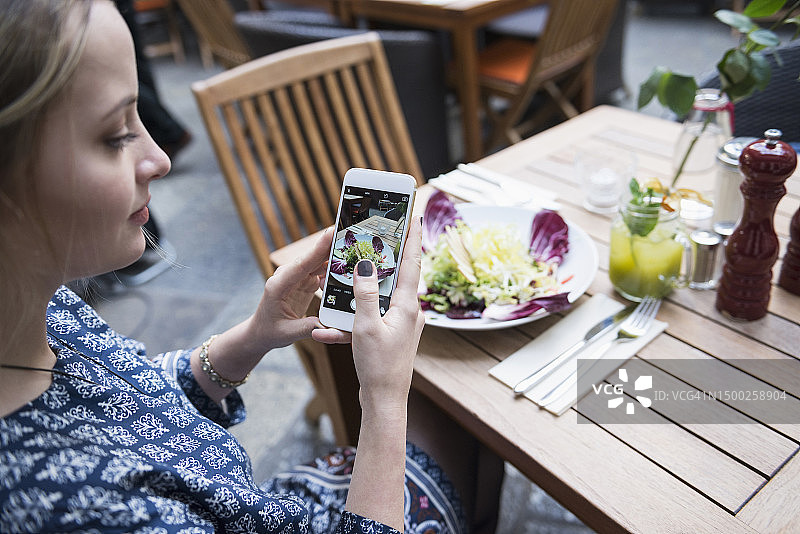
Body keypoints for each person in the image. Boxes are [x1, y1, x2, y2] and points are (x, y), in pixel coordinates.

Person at [0, 1, 499, 531]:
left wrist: (253, 337)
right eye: (115, 135)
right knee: (472, 410)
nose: (160, 159)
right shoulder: (73, 508)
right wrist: (382, 399)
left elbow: (131, 399)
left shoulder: (35, 297)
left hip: (271, 505)